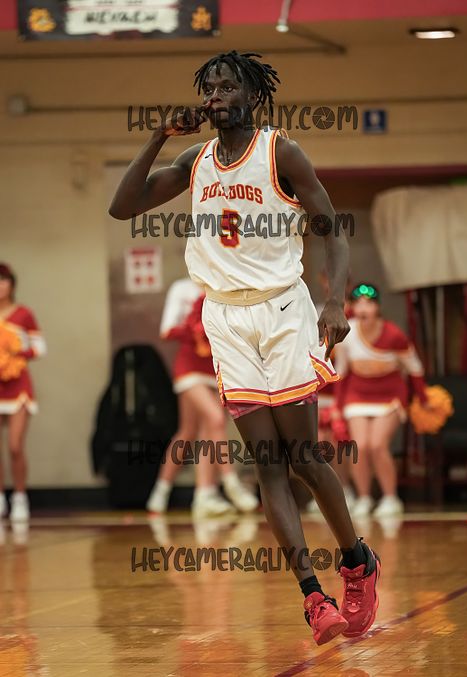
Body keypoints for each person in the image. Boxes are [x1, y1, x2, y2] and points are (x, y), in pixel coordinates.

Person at [109, 51, 380, 645]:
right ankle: (313, 597)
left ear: (252, 95)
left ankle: (358, 562)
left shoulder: (280, 152)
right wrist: (158, 136)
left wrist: (334, 300)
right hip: (226, 318)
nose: (215, 96)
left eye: (228, 86)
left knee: (303, 456)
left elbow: (331, 228)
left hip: (282, 309)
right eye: (209, 88)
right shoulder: (195, 160)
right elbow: (123, 206)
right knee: (266, 463)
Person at [147, 279, 258, 517]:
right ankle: (231, 482)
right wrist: (193, 327)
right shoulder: (182, 288)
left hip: (216, 367)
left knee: (193, 431)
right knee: (215, 419)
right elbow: (166, 329)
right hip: (189, 367)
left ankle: (200, 493)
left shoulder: (226, 285)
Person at [333, 283, 429, 518]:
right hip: (357, 396)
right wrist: (337, 406)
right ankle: (364, 497)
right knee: (359, 446)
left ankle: (390, 497)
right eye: (358, 303)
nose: (363, 308)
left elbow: (414, 368)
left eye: (369, 303)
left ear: (377, 308)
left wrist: (424, 399)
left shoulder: (394, 335)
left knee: (377, 445)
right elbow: (341, 372)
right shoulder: (346, 334)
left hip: (390, 397)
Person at [0, 263, 46, 521]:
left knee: (15, 446)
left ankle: (19, 497)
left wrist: (16, 351)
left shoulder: (23, 314)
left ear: (12, 284)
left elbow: (39, 348)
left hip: (18, 386)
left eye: (4, 280)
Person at [306, 270, 355, 513]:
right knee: (318, 442)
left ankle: (346, 490)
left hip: (344, 393)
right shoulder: (313, 311)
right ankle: (323, 495)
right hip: (320, 390)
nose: (332, 285)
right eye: (328, 280)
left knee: (339, 440)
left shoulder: (357, 316)